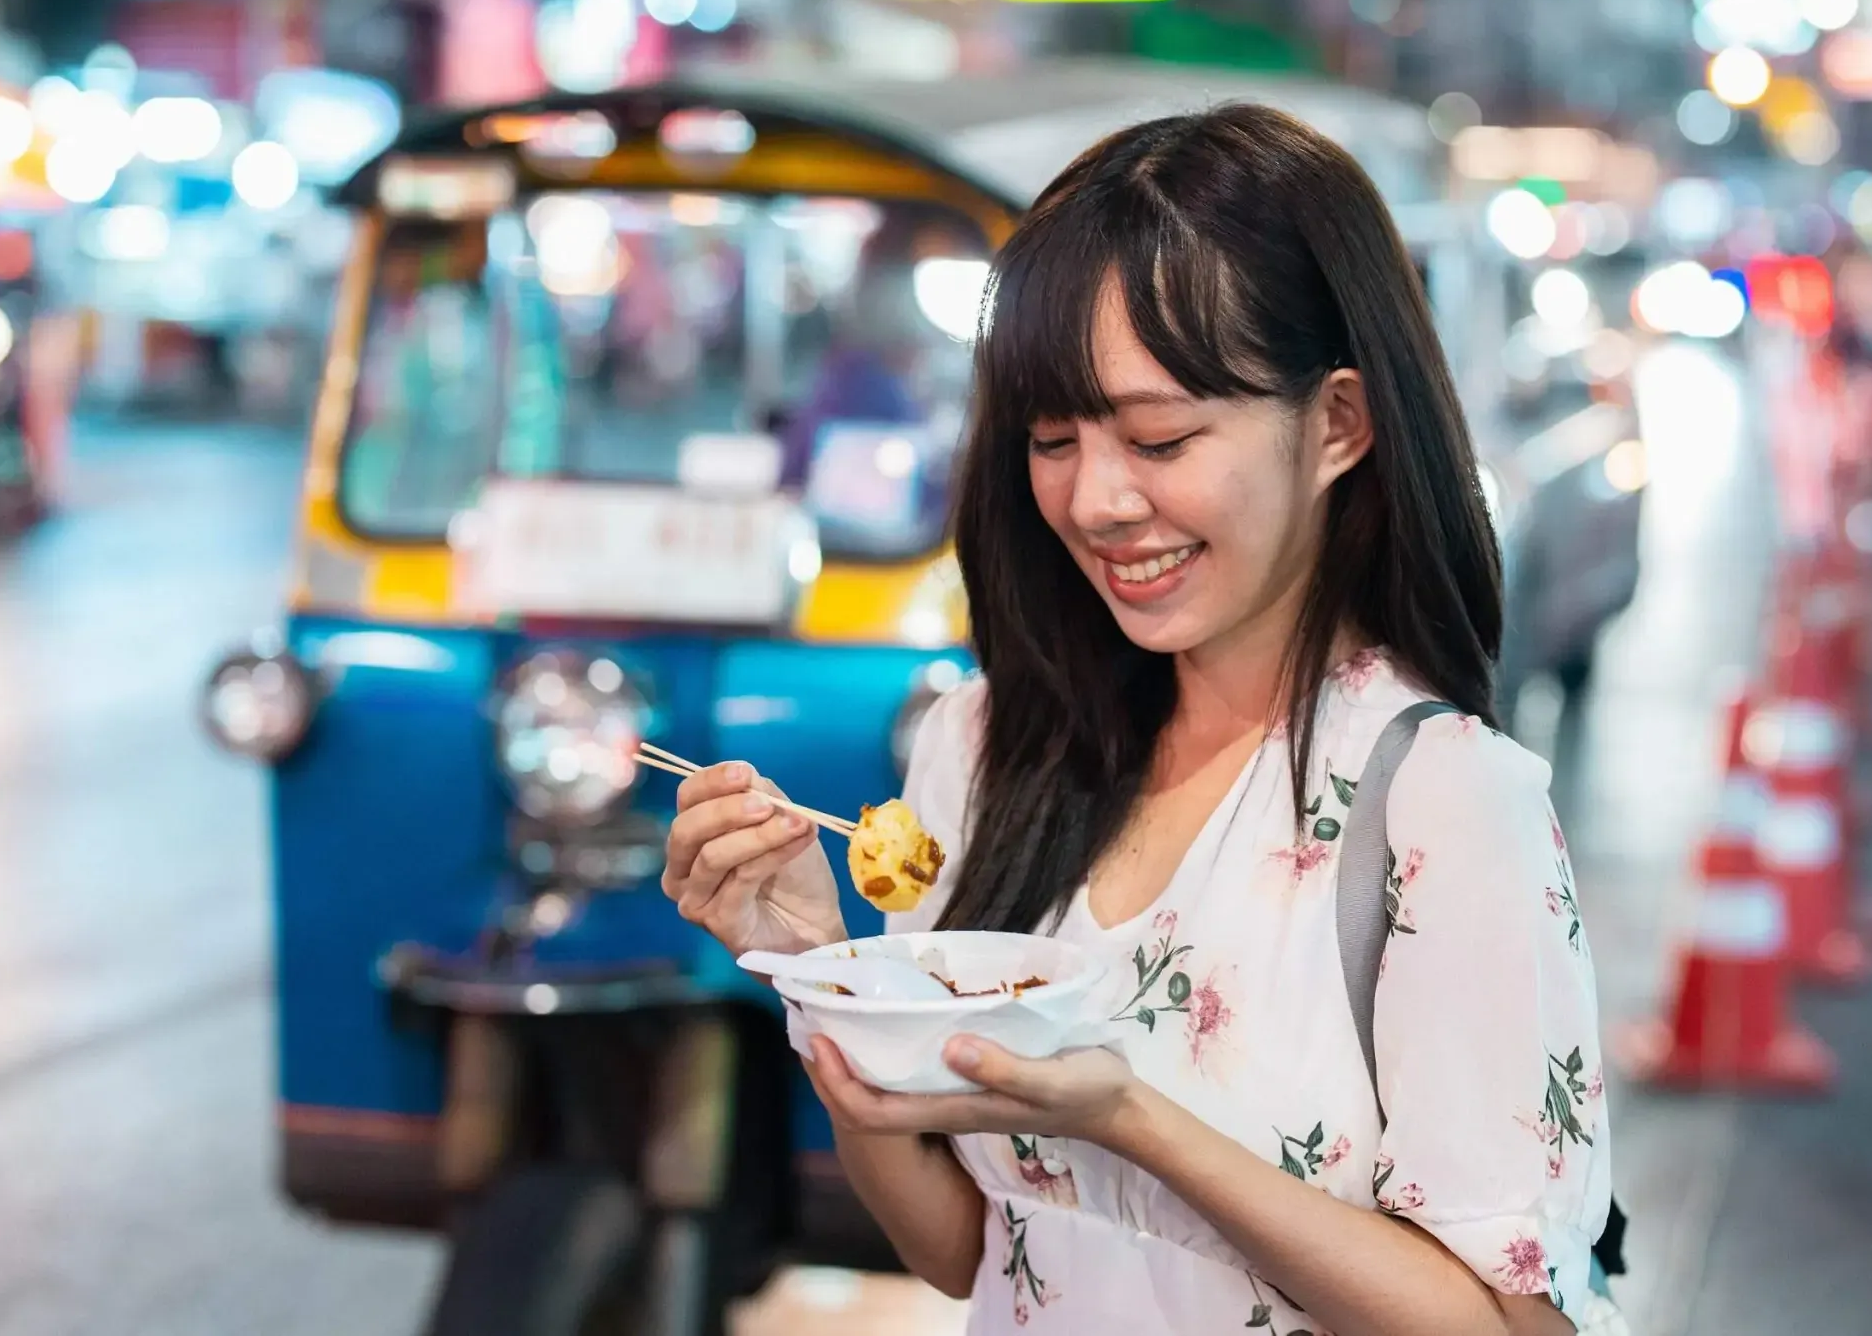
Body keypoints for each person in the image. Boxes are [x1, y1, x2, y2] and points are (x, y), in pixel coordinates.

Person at [664, 106, 1617, 1334]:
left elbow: (1509, 1325)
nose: (1098, 500)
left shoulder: (1438, 798)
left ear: (1336, 424)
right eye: (1052, 439)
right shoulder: (984, 746)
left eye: (1160, 437)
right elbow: (966, 1248)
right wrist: (821, 973)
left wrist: (1128, 1119)